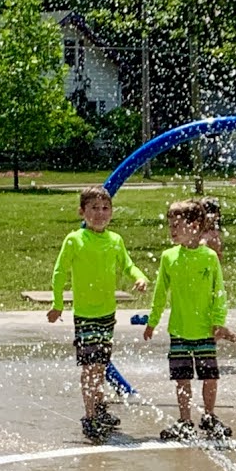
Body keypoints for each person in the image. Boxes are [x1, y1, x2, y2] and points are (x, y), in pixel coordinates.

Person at [47, 185, 148, 442]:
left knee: (100, 366)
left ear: (111, 212)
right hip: (85, 315)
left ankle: (100, 409)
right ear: (82, 212)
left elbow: (128, 265)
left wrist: (139, 277)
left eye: (105, 208)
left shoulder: (115, 240)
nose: (100, 213)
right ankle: (90, 416)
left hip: (107, 315)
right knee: (90, 367)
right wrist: (58, 304)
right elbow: (60, 272)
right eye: (94, 208)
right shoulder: (75, 240)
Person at [144, 200, 233, 440]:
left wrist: (218, 320)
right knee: (181, 378)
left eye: (177, 225)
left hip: (205, 330)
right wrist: (152, 321)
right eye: (170, 226)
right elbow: (160, 292)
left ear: (194, 226)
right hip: (179, 330)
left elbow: (219, 291)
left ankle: (209, 416)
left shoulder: (209, 257)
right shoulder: (168, 257)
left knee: (210, 377)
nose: (172, 231)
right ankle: (185, 420)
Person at [198, 197, 236, 366]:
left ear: (216, 216)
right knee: (210, 324)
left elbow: (206, 255)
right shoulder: (204, 233)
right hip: (203, 284)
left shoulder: (211, 236)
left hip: (209, 286)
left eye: (208, 213)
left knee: (210, 325)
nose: (205, 216)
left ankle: (203, 356)